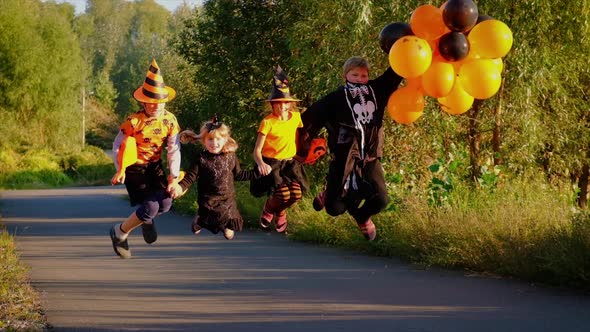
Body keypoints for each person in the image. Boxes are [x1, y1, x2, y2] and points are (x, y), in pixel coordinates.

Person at [297, 56, 403, 241]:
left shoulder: (377, 90)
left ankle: (362, 217)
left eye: (364, 75)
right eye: (355, 75)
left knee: (381, 199)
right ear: (345, 75)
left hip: (369, 158)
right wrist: (302, 149)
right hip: (344, 158)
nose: (360, 78)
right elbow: (310, 119)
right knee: (335, 208)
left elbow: (397, 70)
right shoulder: (335, 98)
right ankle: (329, 194)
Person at [109, 59, 181, 259]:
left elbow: (174, 149)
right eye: (150, 101)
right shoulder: (134, 122)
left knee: (166, 204)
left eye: (159, 101)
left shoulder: (170, 120)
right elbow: (118, 146)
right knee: (150, 207)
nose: (155, 106)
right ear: (143, 101)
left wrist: (174, 177)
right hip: (134, 169)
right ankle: (120, 232)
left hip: (155, 167)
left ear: (165, 101)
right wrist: (120, 169)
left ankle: (146, 219)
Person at [169, 115, 259, 240]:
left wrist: (257, 172)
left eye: (218, 139)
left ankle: (226, 226)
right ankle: (200, 219)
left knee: (228, 234)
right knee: (202, 222)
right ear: (204, 141)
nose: (214, 143)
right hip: (208, 199)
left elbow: (238, 174)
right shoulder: (201, 158)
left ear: (225, 139)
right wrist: (180, 187)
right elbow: (191, 177)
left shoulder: (231, 156)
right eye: (210, 139)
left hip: (227, 199)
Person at [250, 66, 308, 233]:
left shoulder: (296, 118)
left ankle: (280, 211)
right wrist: (260, 163)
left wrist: (302, 153)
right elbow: (257, 150)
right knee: (282, 194)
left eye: (285, 103)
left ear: (290, 104)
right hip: (272, 164)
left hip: (290, 163)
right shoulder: (267, 122)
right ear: (272, 105)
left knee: (296, 194)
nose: (282, 107)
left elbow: (298, 137)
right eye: (278, 103)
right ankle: (270, 208)